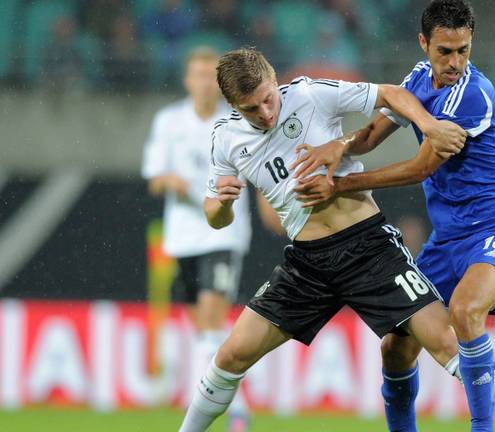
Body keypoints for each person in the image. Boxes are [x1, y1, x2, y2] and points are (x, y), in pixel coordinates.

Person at [178, 47, 471, 431]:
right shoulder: (226, 139)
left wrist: (429, 126)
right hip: (308, 263)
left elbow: (391, 94)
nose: (266, 113)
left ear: (274, 79)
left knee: (446, 342)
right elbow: (214, 215)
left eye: (268, 98)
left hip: (369, 247)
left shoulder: (310, 93)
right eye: (251, 109)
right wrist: (224, 205)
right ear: (233, 105)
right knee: (231, 354)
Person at [292, 2, 495, 431]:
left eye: (463, 50)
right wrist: (341, 146)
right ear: (424, 44)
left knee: (464, 312)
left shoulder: (471, 95)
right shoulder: (418, 79)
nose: (455, 62)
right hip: (446, 240)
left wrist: (342, 185)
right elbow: (370, 135)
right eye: (445, 51)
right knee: (395, 348)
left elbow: (420, 168)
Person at [141, 47, 254, 432]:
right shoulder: (169, 121)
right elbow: (155, 177)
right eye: (199, 75)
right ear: (188, 80)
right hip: (182, 238)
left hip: (223, 233)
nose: (205, 83)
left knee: (211, 318)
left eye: (211, 76)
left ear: (221, 84)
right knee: (203, 328)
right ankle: (237, 403)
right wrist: (179, 183)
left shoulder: (237, 122)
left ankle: (231, 414)